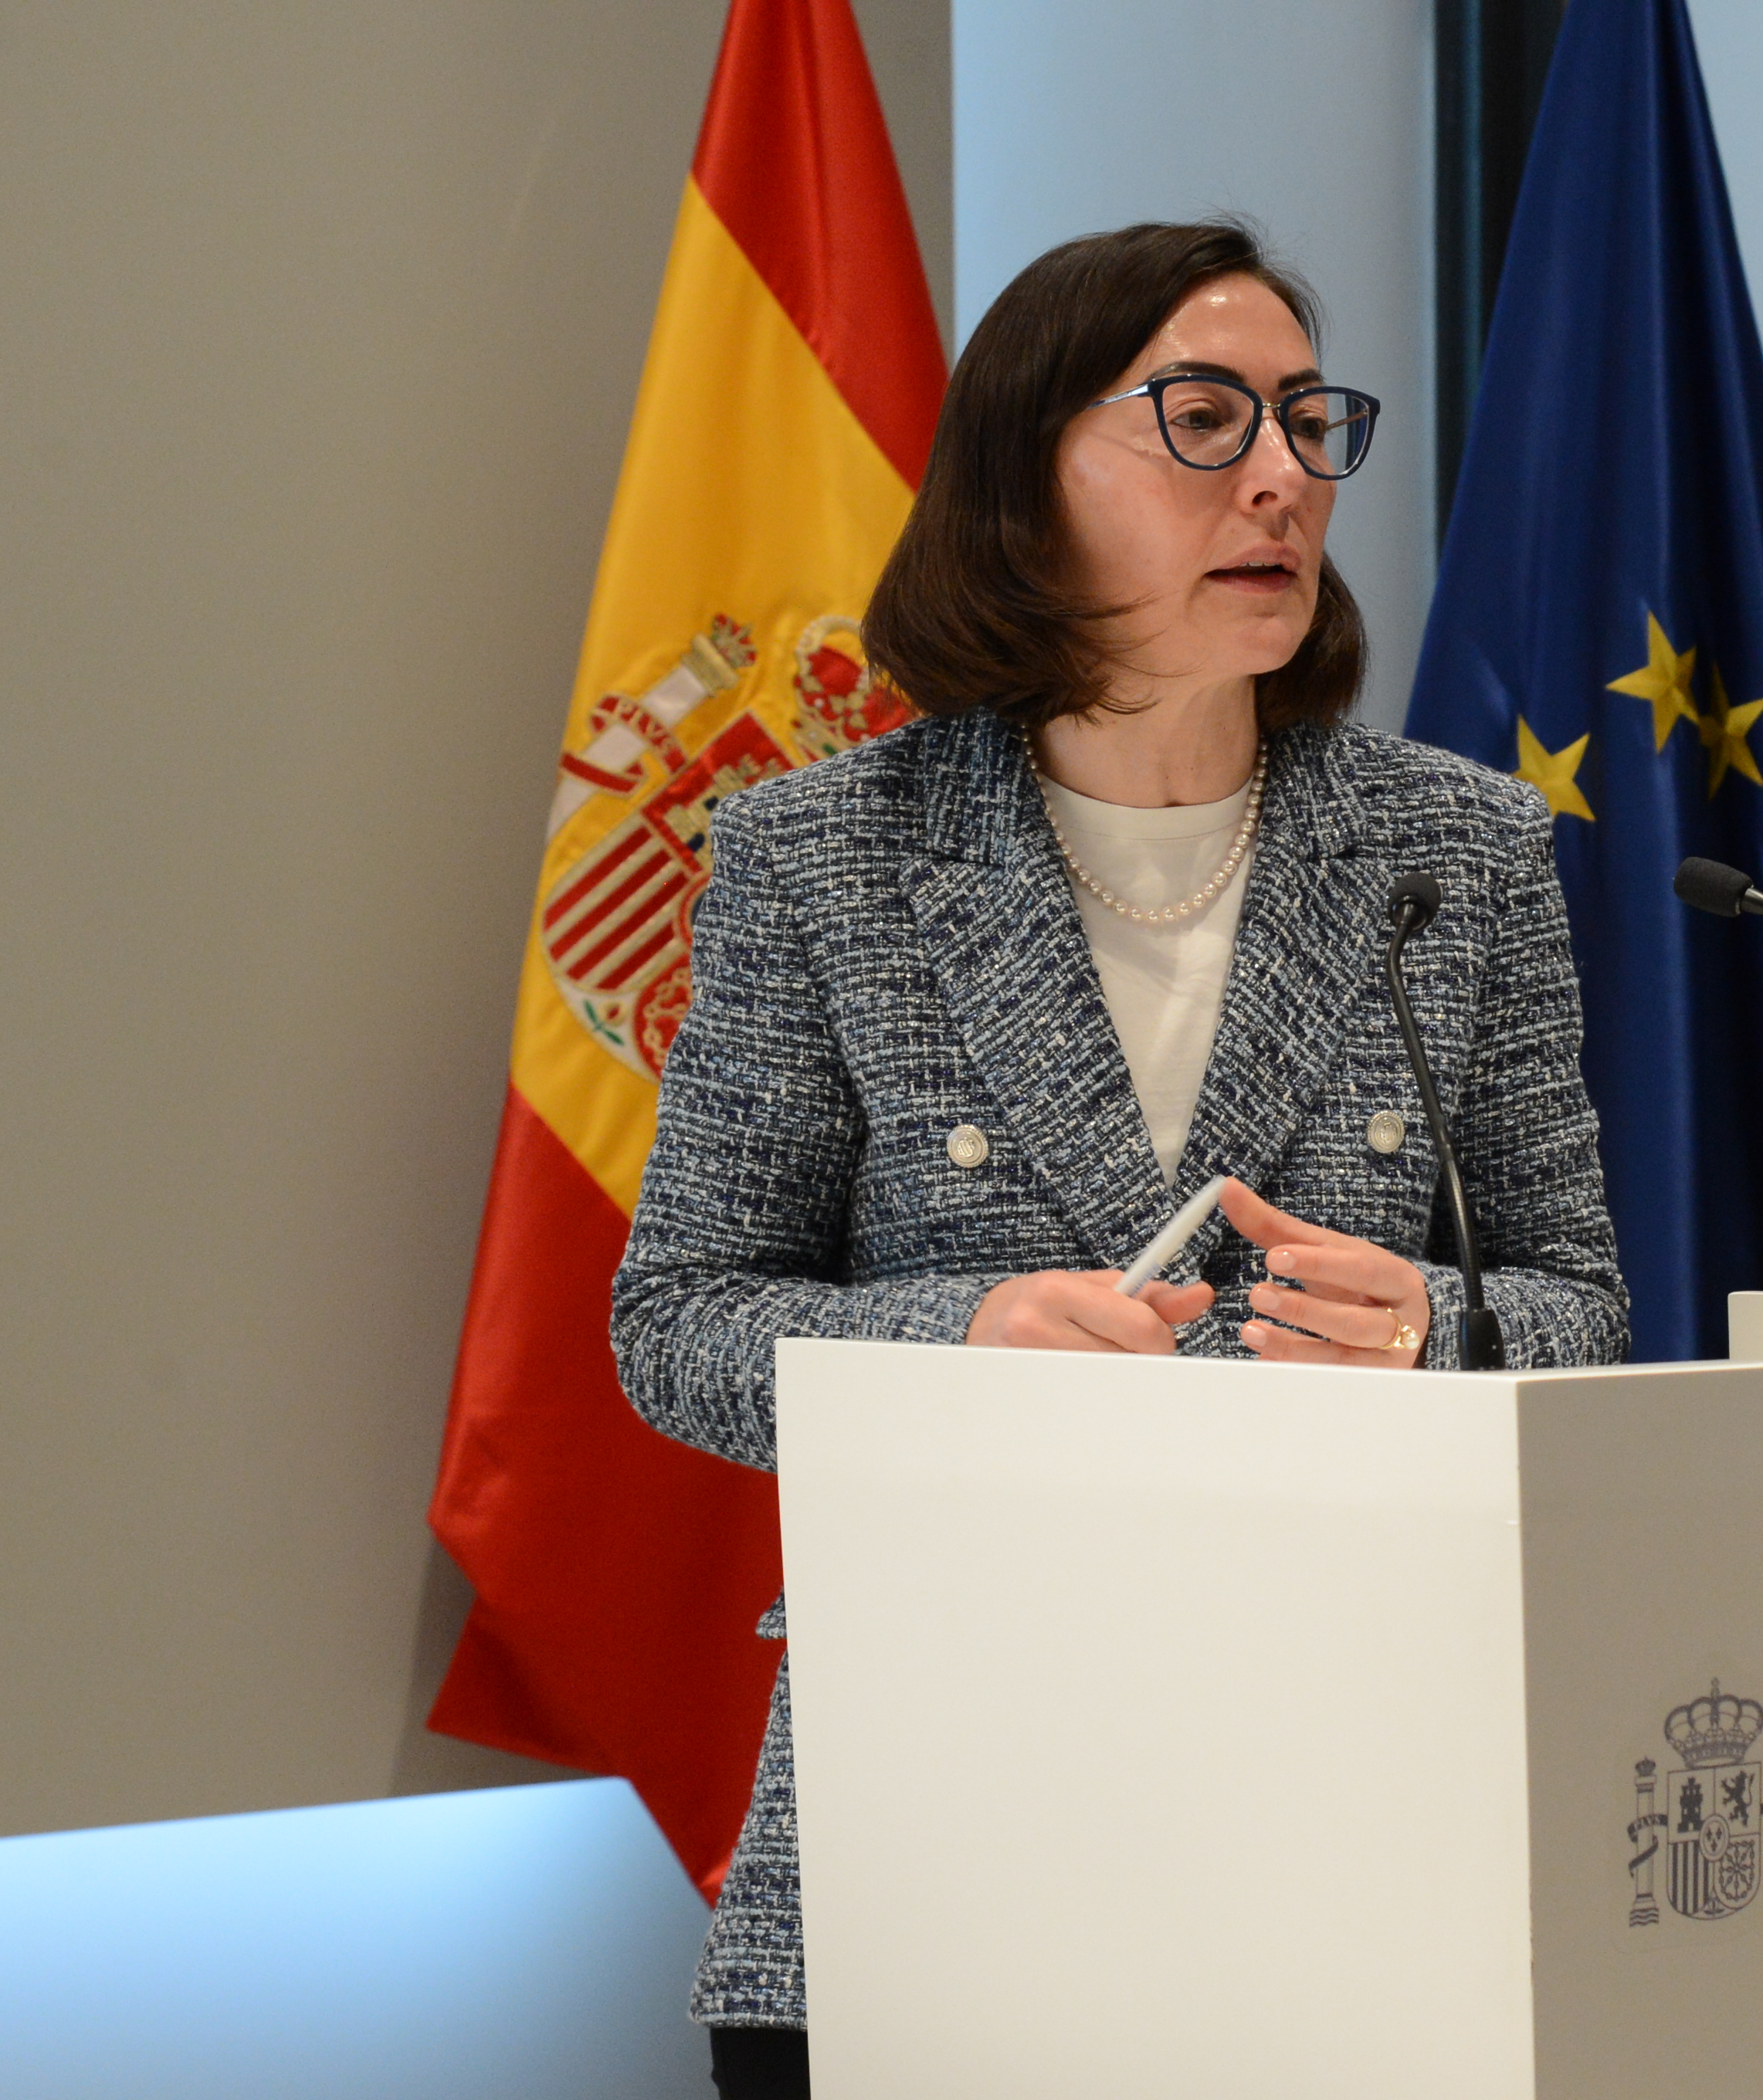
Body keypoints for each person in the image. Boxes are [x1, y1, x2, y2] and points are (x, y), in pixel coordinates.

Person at [609, 219, 1629, 2097]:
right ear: (1027, 475)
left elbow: (1582, 1307)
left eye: (1308, 422)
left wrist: (1438, 1327)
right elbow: (675, 1321)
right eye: (1204, 417)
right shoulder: (823, 858)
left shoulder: (1458, 852)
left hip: (1358, 1816)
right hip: (941, 1810)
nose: (1280, 476)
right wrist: (962, 1335)